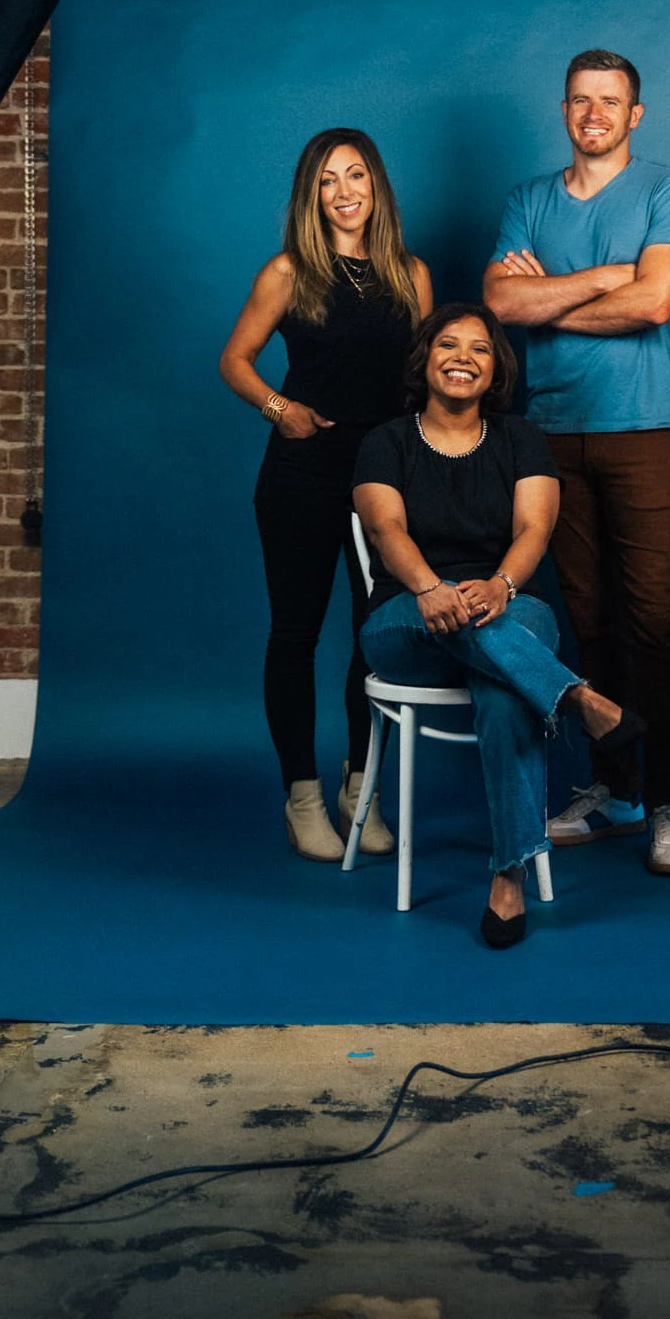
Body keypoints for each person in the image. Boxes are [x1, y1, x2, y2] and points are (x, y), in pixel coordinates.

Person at [352, 303, 641, 948]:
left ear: (496, 369)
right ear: (425, 360)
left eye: (480, 350)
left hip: (509, 607)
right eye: (448, 345)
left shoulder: (520, 440)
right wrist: (431, 587)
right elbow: (385, 528)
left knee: (505, 689)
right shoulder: (386, 441)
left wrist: (503, 585)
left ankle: (506, 879)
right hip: (407, 621)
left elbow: (534, 529)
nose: (462, 358)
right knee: (490, 641)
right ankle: (577, 696)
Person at [483, 49, 670, 876]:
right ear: (564, 109)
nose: (594, 113)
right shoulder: (528, 201)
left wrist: (555, 300)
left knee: (651, 620)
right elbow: (501, 303)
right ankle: (618, 792)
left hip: (643, 427)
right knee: (588, 620)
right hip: (549, 437)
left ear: (634, 115)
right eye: (580, 100)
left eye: (610, 102)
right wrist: (605, 277)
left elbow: (657, 301)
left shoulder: (669, 190)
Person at [220, 129, 431, 862]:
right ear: (312, 194)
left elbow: (421, 382)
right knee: (297, 635)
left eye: (357, 177)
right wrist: (283, 410)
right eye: (328, 181)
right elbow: (235, 360)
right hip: (302, 475)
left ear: (378, 188)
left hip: (383, 481)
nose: (344, 192)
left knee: (374, 640)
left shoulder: (411, 274)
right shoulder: (290, 271)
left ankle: (358, 787)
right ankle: (302, 796)